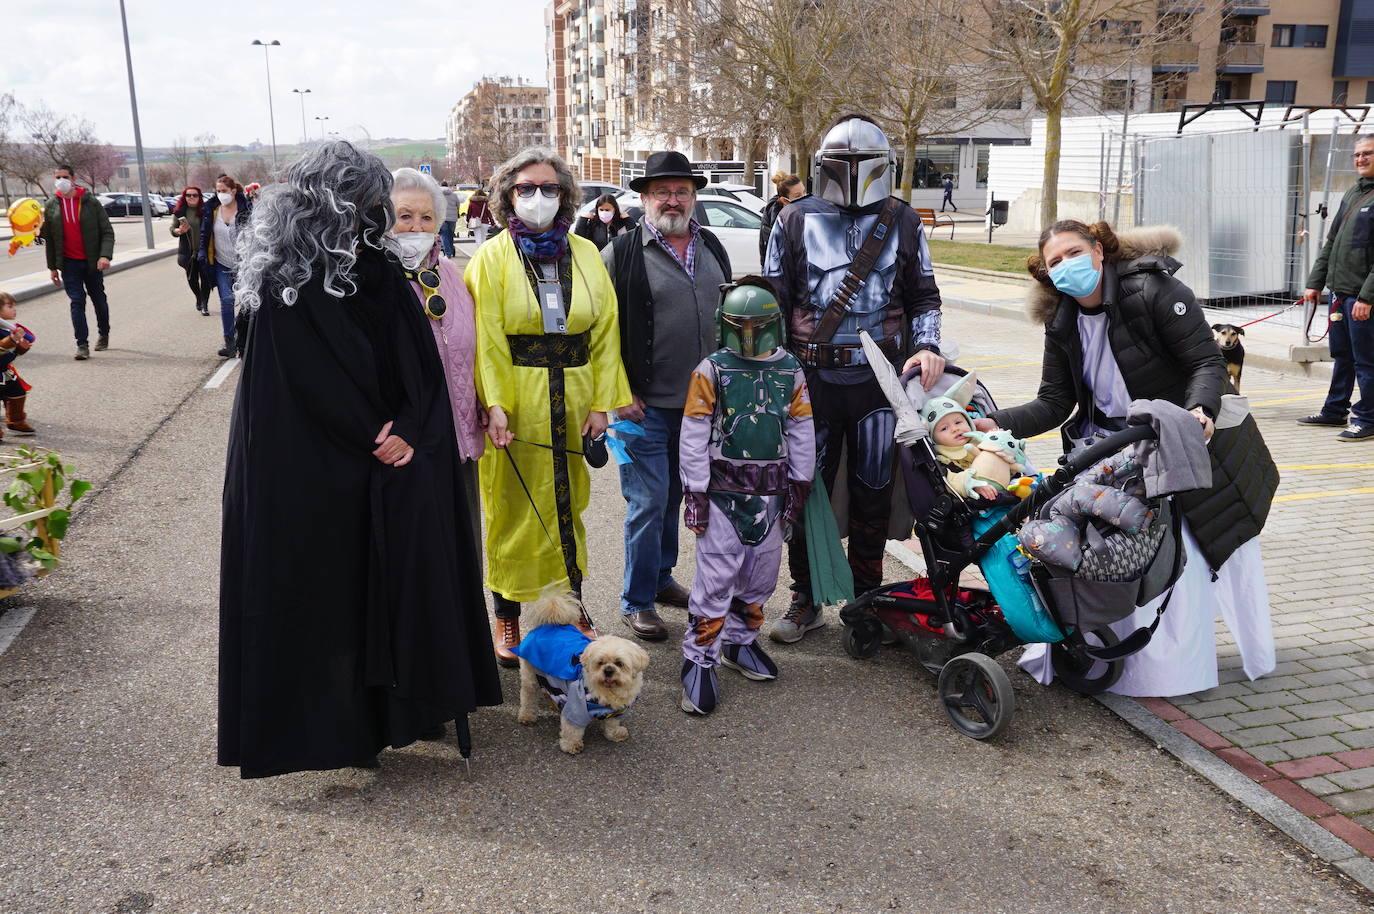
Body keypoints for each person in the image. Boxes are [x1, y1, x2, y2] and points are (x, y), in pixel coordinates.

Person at [219, 140, 501, 779]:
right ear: (328, 205)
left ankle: (406, 708)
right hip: (312, 474)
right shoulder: (283, 281)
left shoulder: (374, 265)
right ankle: (333, 731)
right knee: (326, 599)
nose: (379, 217)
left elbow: (418, 359)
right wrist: (373, 430)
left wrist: (408, 424)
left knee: (398, 584)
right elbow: (298, 381)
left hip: (391, 463)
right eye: (368, 203)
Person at [982, 219, 1278, 697]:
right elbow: (1055, 402)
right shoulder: (1062, 321)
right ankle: (1098, 646)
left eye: (1074, 253)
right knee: (1102, 544)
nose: (1066, 266)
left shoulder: (1153, 291)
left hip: (1175, 436)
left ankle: (1167, 669)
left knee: (1178, 549)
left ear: (1099, 251)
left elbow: (1206, 362)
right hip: (1110, 448)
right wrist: (995, 423)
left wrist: (1199, 410)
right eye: (1055, 262)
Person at [764, 114, 947, 643]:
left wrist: (928, 345)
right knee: (806, 490)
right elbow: (777, 300)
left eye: (861, 161)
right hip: (810, 379)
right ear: (822, 164)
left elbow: (923, 297)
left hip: (877, 381)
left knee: (874, 490)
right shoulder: (793, 219)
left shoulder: (903, 221)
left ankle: (867, 594)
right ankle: (807, 594)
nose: (851, 171)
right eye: (840, 162)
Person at [465, 147, 632, 666]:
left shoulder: (584, 253)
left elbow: (605, 330)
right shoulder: (490, 258)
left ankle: (571, 605)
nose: (538, 197)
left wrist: (603, 403)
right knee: (513, 508)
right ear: (507, 196)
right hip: (518, 400)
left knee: (568, 506)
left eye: (549, 188)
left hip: (576, 396)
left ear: (565, 196)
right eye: (525, 188)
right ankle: (508, 612)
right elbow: (486, 339)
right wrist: (493, 404)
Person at [603, 150, 732, 642]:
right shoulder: (622, 252)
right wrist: (618, 392)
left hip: (700, 408)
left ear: (693, 197)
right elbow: (599, 329)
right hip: (643, 406)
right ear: (644, 199)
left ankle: (659, 580)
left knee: (678, 496)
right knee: (647, 501)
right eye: (662, 192)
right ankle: (636, 601)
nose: (673, 200)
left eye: (681, 191)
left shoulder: (712, 245)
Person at [678, 277, 813, 714]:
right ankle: (699, 657)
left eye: (758, 325)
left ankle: (740, 642)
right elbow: (694, 431)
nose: (750, 335)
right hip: (721, 493)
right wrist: (695, 491)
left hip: (772, 493)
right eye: (741, 325)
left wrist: (800, 482)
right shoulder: (711, 369)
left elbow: (801, 428)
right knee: (716, 580)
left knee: (760, 577)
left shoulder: (790, 369)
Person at [389, 167, 485, 535]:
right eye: (405, 216)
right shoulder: (375, 280)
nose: (417, 227)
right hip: (407, 448)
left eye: (427, 217)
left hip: (459, 444)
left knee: (464, 551)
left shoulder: (451, 275)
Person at [1299, 134, 1374, 443]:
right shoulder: (1354, 192)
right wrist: (1315, 283)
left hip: (1362, 298)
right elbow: (1332, 242)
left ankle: (1367, 419)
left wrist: (1368, 297)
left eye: (1368, 153)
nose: (1360, 159)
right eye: (1357, 154)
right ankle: (1334, 410)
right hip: (1340, 294)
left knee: (1366, 360)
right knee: (1342, 355)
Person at [40, 164, 115, 361]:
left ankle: (104, 333)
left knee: (98, 299)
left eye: (64, 176)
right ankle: (82, 344)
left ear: (73, 178)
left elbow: (107, 231)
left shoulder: (90, 202)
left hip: (92, 262)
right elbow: (50, 240)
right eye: (57, 177)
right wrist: (52, 267)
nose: (61, 180)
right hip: (68, 263)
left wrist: (104, 255)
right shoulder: (51, 205)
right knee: (77, 301)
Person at [196, 175, 252, 358]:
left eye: (224, 191)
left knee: (246, 303)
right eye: (218, 191)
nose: (221, 194)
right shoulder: (212, 211)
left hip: (244, 264)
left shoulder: (246, 209)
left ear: (233, 191)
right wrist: (202, 252)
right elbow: (205, 234)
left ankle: (245, 340)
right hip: (221, 263)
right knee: (227, 300)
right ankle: (229, 342)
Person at [171, 186, 212, 315]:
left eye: (195, 195)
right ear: (184, 197)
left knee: (205, 278)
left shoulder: (206, 210)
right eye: (188, 195)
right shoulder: (179, 213)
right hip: (188, 252)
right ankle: (198, 297)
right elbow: (172, 229)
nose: (192, 198)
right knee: (192, 279)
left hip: (204, 251)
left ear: (200, 197)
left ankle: (205, 304)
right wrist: (179, 231)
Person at [0, 292, 36, 437]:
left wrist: (21, 349)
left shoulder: (8, 328)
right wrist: (12, 340)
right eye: (10, 306)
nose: (14, 309)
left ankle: (15, 420)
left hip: (4, 370)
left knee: (17, 393)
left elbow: (11, 354)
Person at [758, 171, 806, 261]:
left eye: (804, 192)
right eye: (798, 196)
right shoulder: (776, 219)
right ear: (784, 200)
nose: (804, 198)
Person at [439, 181, 459, 258]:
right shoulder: (454, 195)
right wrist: (457, 213)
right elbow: (458, 205)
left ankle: (448, 253)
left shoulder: (438, 195)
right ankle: (451, 249)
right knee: (450, 234)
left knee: (444, 234)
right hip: (453, 218)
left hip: (442, 217)